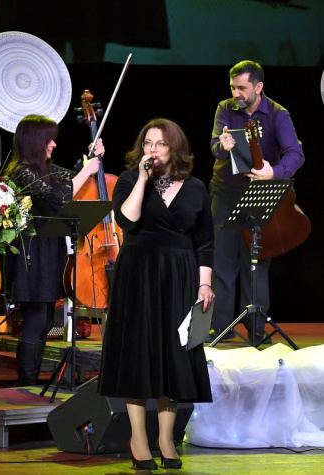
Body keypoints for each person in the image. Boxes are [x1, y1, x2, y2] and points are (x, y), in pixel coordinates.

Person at [98, 118, 214, 470]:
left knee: (172, 357)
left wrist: (204, 284)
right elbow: (126, 220)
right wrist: (143, 179)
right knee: (139, 354)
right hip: (139, 273)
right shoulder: (129, 180)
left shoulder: (195, 187)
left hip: (179, 275)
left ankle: (166, 438)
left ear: (174, 148)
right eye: (148, 143)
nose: (153, 149)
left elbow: (205, 242)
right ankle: (138, 438)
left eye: (160, 143)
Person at [209, 60, 305, 343]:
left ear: (258, 87)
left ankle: (257, 328)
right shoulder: (224, 108)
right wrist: (222, 146)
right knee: (223, 261)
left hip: (259, 195)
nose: (235, 93)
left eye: (242, 88)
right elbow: (215, 146)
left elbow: (295, 153)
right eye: (232, 87)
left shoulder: (277, 114)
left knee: (257, 261)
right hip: (225, 193)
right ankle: (221, 327)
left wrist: (274, 172)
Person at [4, 114, 103, 386]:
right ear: (35, 141)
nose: (54, 145)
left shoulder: (45, 169)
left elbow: (71, 176)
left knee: (47, 321)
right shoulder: (22, 172)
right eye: (49, 140)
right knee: (36, 320)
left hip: (49, 250)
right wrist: (86, 171)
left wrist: (90, 159)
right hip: (31, 254)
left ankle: (31, 380)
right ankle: (27, 382)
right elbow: (62, 195)